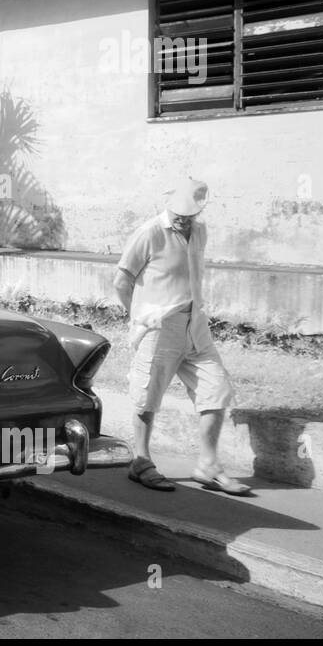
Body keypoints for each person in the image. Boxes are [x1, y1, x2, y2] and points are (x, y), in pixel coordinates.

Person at [113, 177, 250, 496]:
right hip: (159, 327)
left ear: (199, 212)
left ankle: (208, 465)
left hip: (195, 324)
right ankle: (141, 460)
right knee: (147, 395)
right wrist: (141, 318)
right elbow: (121, 281)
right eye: (178, 213)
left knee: (216, 389)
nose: (182, 218)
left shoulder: (200, 232)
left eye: (189, 215)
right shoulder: (150, 232)